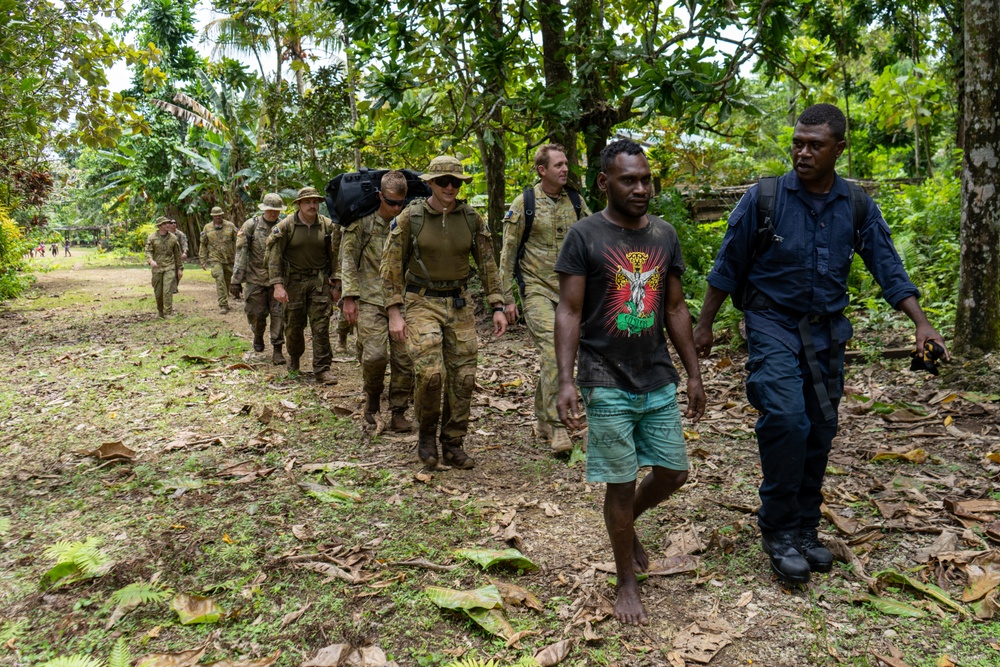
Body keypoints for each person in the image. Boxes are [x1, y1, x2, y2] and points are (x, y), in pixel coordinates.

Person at [693, 103, 950, 585]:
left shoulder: (855, 204)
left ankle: (805, 528)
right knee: (787, 419)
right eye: (797, 142)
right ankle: (778, 530)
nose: (803, 152)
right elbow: (727, 264)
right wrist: (704, 324)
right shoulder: (765, 198)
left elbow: (886, 265)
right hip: (770, 323)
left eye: (815, 145)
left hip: (828, 330)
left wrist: (922, 322)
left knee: (820, 427)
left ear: (839, 149)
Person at [554, 139, 706, 625]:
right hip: (605, 377)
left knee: (673, 472)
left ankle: (627, 526)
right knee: (619, 484)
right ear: (605, 182)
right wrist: (565, 380)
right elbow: (569, 309)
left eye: (645, 179)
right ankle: (625, 581)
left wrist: (694, 373)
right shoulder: (584, 235)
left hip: (656, 374)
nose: (641, 188)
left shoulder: (664, 234)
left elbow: (676, 307)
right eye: (629, 180)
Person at [381, 155, 508, 469]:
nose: (450, 187)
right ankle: (426, 434)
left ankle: (453, 442)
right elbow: (391, 267)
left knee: (463, 377)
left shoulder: (471, 218)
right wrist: (394, 313)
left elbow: (488, 264)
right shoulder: (411, 217)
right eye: (443, 181)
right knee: (431, 373)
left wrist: (498, 305)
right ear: (430, 184)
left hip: (459, 302)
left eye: (455, 182)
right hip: (420, 301)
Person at [500, 144, 591, 454]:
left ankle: (542, 418)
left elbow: (595, 238)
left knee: (561, 355)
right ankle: (555, 426)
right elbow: (508, 253)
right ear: (542, 170)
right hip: (536, 289)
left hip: (570, 292)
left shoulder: (576, 201)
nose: (565, 169)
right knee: (554, 352)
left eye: (566, 164)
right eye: (558, 165)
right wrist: (505, 299)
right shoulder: (524, 203)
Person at [342, 171, 414, 431]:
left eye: (401, 203)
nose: (396, 208)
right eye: (391, 202)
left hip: (403, 299)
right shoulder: (363, 225)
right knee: (374, 357)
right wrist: (348, 297)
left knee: (405, 359)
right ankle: (372, 399)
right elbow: (348, 260)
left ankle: (398, 410)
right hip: (369, 298)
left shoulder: (408, 225)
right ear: (379, 196)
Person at [267, 186, 340, 385]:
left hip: (319, 283)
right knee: (294, 326)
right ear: (298, 204)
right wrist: (277, 285)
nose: (312, 205)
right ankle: (295, 360)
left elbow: (335, 256)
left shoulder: (327, 226)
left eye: (315, 202)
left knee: (321, 327)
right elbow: (274, 258)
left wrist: (336, 284)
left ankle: (322, 369)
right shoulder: (286, 226)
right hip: (294, 283)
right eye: (307, 202)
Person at [231, 193, 286, 365]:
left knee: (279, 315)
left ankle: (277, 349)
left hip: (278, 280)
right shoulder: (251, 225)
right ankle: (258, 335)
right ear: (264, 209)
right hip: (255, 278)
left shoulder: (284, 226)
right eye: (270, 210)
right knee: (256, 314)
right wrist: (236, 280)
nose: (273, 214)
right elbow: (241, 253)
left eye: (276, 211)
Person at [200, 206, 238, 313]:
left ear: (222, 215)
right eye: (215, 216)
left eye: (219, 215)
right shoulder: (207, 228)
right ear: (212, 216)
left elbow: (238, 241)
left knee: (226, 281)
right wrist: (203, 259)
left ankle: (224, 299)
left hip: (229, 258)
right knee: (219, 277)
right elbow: (203, 244)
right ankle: (223, 305)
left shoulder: (230, 226)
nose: (217, 217)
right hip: (215, 258)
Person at [145, 216, 183, 318]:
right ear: (159, 226)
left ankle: (168, 312)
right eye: (164, 224)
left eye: (168, 223)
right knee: (158, 292)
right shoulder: (152, 237)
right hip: (157, 268)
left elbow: (177, 254)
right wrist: (151, 261)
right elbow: (148, 251)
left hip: (169, 267)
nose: (167, 225)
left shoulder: (173, 238)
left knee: (167, 289)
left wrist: (179, 268)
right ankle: (160, 311)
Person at [168, 219, 188, 294]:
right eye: (171, 223)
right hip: (169, 256)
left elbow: (184, 243)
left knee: (179, 272)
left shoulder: (180, 234)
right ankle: (173, 288)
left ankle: (175, 286)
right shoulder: (166, 233)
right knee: (171, 271)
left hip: (178, 256)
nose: (173, 224)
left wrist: (184, 252)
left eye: (174, 223)